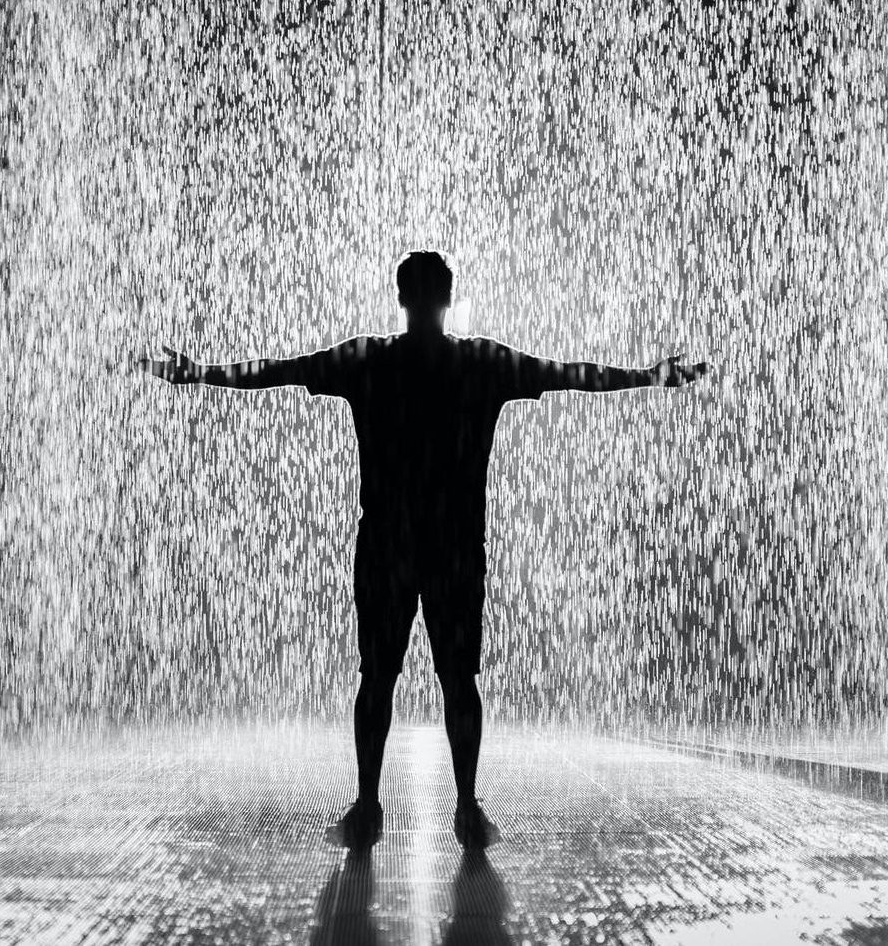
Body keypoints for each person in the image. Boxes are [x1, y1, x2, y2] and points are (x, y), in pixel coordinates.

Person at [136, 249, 711, 851]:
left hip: (387, 543)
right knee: (457, 680)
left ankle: (367, 805)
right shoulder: (482, 363)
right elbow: (571, 374)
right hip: (455, 546)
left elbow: (275, 370)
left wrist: (199, 372)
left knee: (377, 678)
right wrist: (647, 376)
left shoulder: (369, 360)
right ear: (448, 298)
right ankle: (465, 806)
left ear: (403, 298)